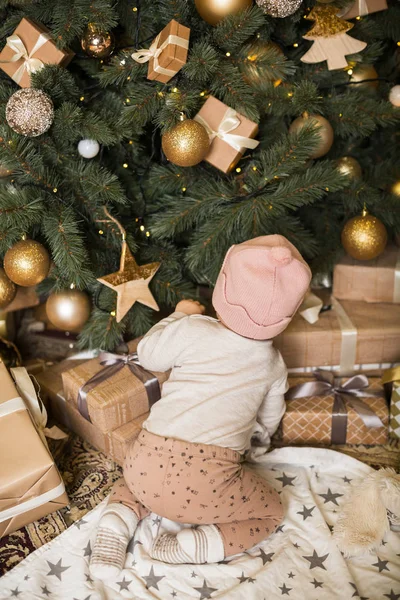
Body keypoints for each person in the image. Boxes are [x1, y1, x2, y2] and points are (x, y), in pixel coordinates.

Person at [89, 234, 311, 579]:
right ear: (288, 314)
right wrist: (262, 438)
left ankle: (115, 525)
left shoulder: (195, 329)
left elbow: (148, 354)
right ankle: (194, 545)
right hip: (207, 486)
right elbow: (270, 414)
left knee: (134, 485)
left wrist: (177, 316)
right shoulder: (273, 365)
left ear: (223, 288)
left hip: (144, 461)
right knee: (270, 511)